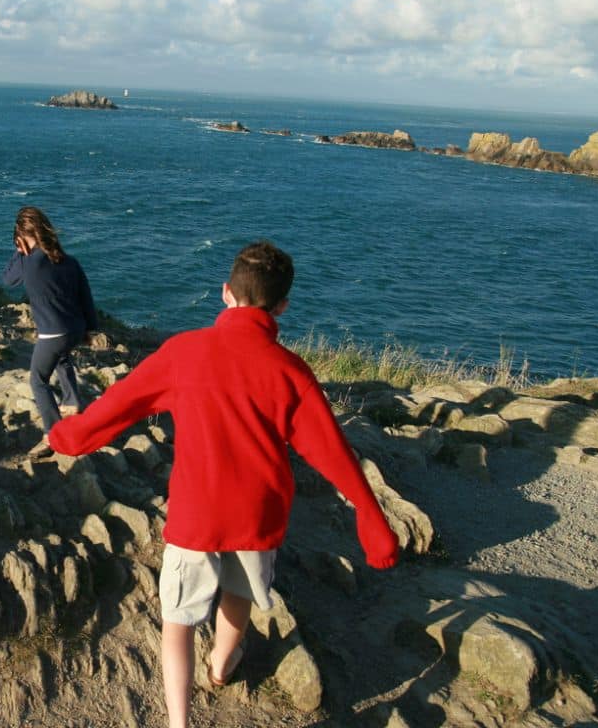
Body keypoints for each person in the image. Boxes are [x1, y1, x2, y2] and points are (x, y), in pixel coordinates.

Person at [48, 241, 399, 728]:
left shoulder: (184, 352)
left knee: (177, 621)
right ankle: (221, 665)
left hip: (198, 512)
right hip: (259, 512)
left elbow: (120, 404)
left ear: (225, 294)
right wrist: (370, 515)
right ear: (282, 307)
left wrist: (69, 435)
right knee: (239, 593)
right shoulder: (291, 372)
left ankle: (179, 723)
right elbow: (331, 452)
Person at [2, 206, 99, 457]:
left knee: (38, 380)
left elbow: (8, 279)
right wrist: (90, 329)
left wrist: (18, 252)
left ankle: (54, 434)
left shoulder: (28, 261)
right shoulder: (69, 261)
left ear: (22, 237)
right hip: (76, 328)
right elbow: (85, 297)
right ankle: (72, 401)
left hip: (53, 333)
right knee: (63, 357)